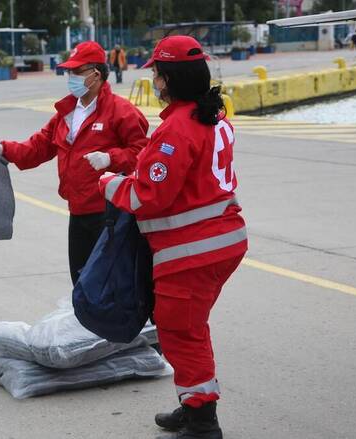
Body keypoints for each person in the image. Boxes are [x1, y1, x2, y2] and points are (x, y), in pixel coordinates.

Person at [99, 36, 247, 439]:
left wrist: (110, 184)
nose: (155, 81)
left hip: (192, 250)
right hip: (223, 240)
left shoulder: (175, 130)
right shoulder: (214, 118)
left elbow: (149, 196)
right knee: (190, 327)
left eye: (158, 75)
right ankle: (193, 402)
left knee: (180, 330)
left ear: (170, 78)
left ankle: (202, 420)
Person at [0, 41, 149, 286]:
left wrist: (110, 158)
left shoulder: (121, 111)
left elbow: (143, 152)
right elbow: (39, 146)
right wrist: (5, 149)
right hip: (78, 212)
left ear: (96, 74)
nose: (70, 77)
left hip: (109, 213)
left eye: (76, 72)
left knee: (110, 285)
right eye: (68, 72)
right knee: (81, 282)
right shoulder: (67, 112)